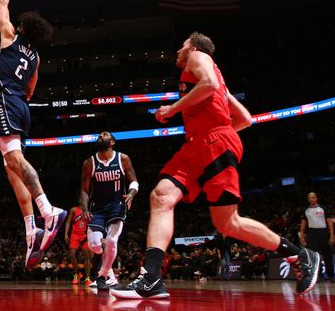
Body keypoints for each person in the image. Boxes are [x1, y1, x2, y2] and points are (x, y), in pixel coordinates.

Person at [112, 32, 320, 299]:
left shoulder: (198, 57)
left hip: (212, 142)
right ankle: (151, 277)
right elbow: (245, 119)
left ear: (195, 48)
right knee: (162, 196)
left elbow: (209, 84)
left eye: (183, 45)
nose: (179, 49)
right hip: (199, 144)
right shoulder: (219, 83)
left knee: (228, 223)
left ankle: (299, 254)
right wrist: (222, 133)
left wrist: (173, 110)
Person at [0, 0, 66, 267]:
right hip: (22, 104)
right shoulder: (35, 55)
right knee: (12, 168)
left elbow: (2, 4)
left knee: (16, 161)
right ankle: (30, 229)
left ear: (22, 28)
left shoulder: (9, 35)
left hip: (6, 100)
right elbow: (33, 87)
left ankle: (48, 211)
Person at [81, 131, 138, 291]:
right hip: (97, 208)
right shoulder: (89, 163)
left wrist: (132, 193)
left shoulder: (123, 159)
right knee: (94, 246)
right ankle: (110, 275)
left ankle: (103, 274)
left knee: (112, 240)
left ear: (112, 142)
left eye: (104, 135)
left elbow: (133, 181)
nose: (100, 137)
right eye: (99, 136)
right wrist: (85, 208)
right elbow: (84, 190)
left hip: (117, 205)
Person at [299, 192, 335, 282]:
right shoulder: (306, 210)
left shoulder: (323, 208)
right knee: (315, 257)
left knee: (327, 255)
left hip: (323, 232)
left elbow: (330, 223)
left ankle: (331, 276)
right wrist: (302, 237)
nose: (311, 199)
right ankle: (318, 276)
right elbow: (303, 224)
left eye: (313, 197)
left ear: (316, 198)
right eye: (309, 197)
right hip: (312, 233)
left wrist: (331, 236)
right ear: (308, 199)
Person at [63, 205, 91, 284]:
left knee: (87, 256)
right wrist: (66, 234)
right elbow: (68, 221)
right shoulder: (74, 209)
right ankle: (77, 273)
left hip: (84, 235)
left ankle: (87, 278)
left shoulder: (88, 210)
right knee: (71, 255)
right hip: (74, 235)